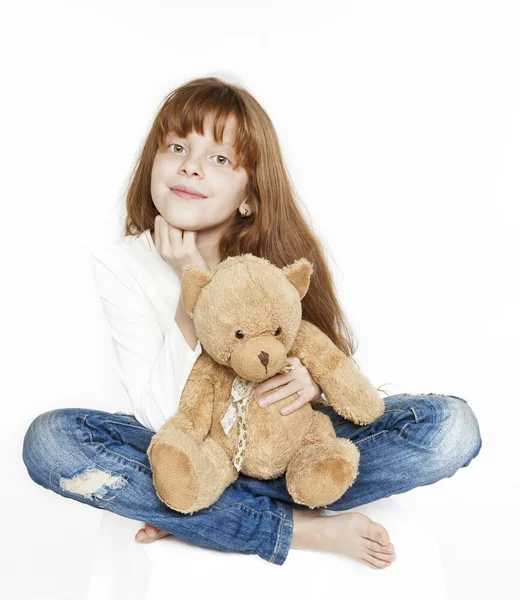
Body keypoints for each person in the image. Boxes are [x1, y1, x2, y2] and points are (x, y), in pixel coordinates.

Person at [22, 76, 482, 569]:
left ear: (248, 195)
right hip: (198, 453)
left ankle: (202, 515)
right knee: (51, 442)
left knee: (450, 427)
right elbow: (160, 416)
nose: (190, 167)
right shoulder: (123, 264)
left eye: (219, 159)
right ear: (152, 163)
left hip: (291, 454)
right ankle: (294, 528)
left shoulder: (277, 262)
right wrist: (189, 291)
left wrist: (314, 386)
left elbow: (337, 378)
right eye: (176, 146)